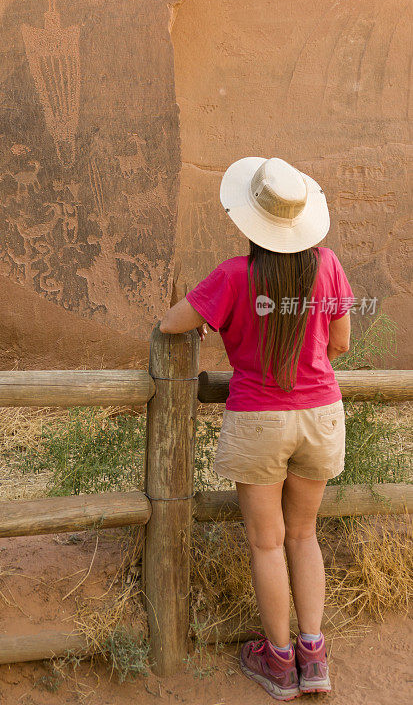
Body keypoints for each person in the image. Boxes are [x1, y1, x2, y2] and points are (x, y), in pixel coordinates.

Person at [159, 157, 354, 701]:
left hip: (259, 418)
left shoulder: (235, 275)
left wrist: (208, 325)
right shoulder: (328, 265)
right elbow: (340, 345)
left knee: (267, 543)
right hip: (321, 415)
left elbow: (170, 322)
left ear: (252, 219)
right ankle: (314, 657)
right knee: (304, 534)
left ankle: (278, 660)